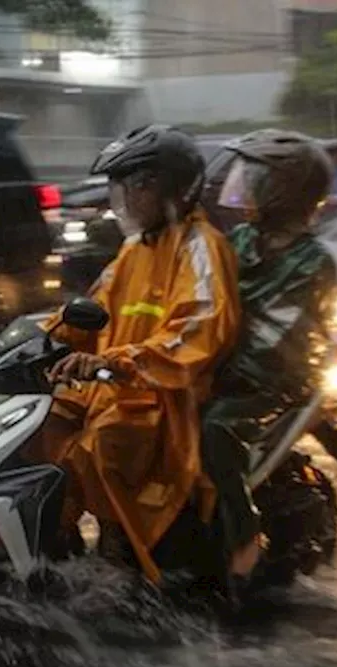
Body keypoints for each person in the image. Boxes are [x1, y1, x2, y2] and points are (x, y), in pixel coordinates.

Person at [39, 124, 241, 584]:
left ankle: (124, 556)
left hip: (164, 398)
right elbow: (93, 306)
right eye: (121, 189)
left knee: (99, 447)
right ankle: (54, 544)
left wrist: (114, 361)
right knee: (40, 426)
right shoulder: (136, 248)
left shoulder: (201, 247)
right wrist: (39, 343)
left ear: (169, 189)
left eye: (133, 188)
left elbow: (199, 329)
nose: (124, 201)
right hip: (113, 387)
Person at [199, 129, 337, 585]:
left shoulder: (312, 261)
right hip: (223, 366)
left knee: (216, 428)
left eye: (256, 178)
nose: (244, 187)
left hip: (275, 379)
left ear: (287, 191)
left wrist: (215, 372)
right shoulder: (239, 239)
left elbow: (278, 336)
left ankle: (244, 536)